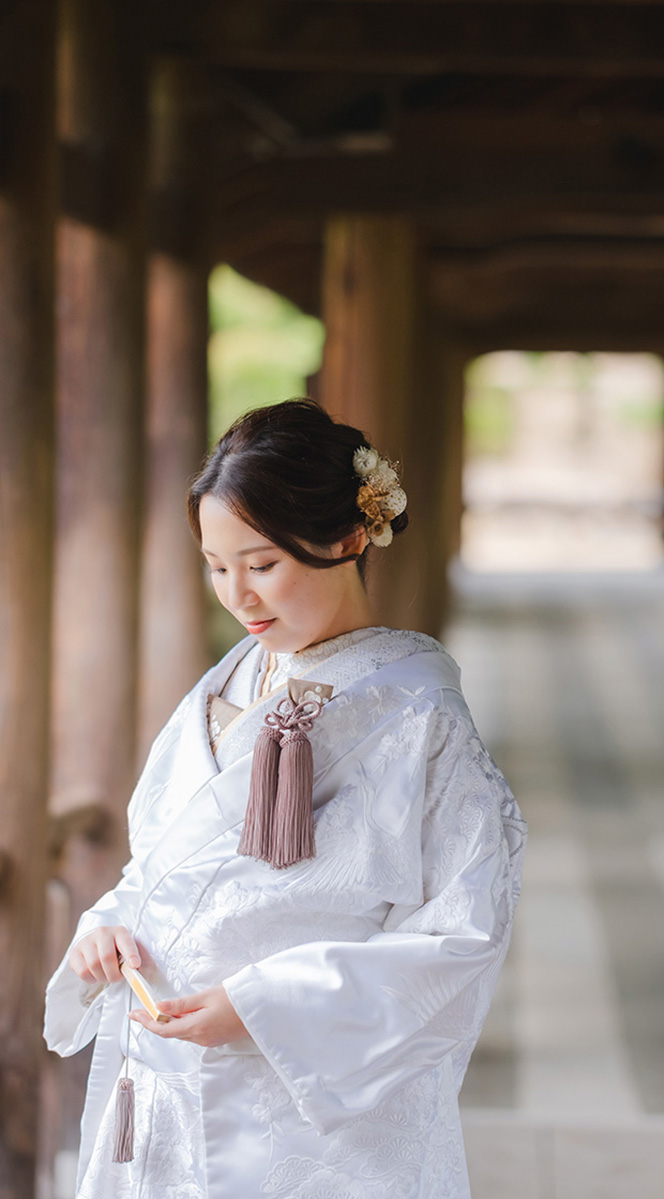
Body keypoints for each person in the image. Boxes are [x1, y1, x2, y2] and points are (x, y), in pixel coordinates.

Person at [44, 398, 527, 1199]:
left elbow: (464, 932)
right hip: (170, 1071)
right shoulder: (230, 677)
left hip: (304, 1102)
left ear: (349, 538)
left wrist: (261, 1004)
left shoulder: (421, 719)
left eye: (262, 564)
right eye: (217, 566)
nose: (237, 595)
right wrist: (110, 925)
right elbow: (163, 862)